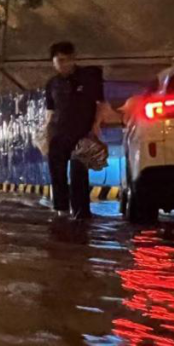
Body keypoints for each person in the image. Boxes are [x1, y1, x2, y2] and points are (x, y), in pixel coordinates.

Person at [44, 41, 106, 220]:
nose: (64, 64)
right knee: (57, 173)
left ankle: (81, 214)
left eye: (67, 60)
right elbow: (50, 111)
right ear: (53, 62)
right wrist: (46, 134)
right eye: (59, 61)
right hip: (58, 133)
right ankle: (61, 211)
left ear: (74, 59)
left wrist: (96, 125)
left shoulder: (89, 77)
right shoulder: (52, 84)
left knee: (79, 173)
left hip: (82, 134)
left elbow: (101, 104)